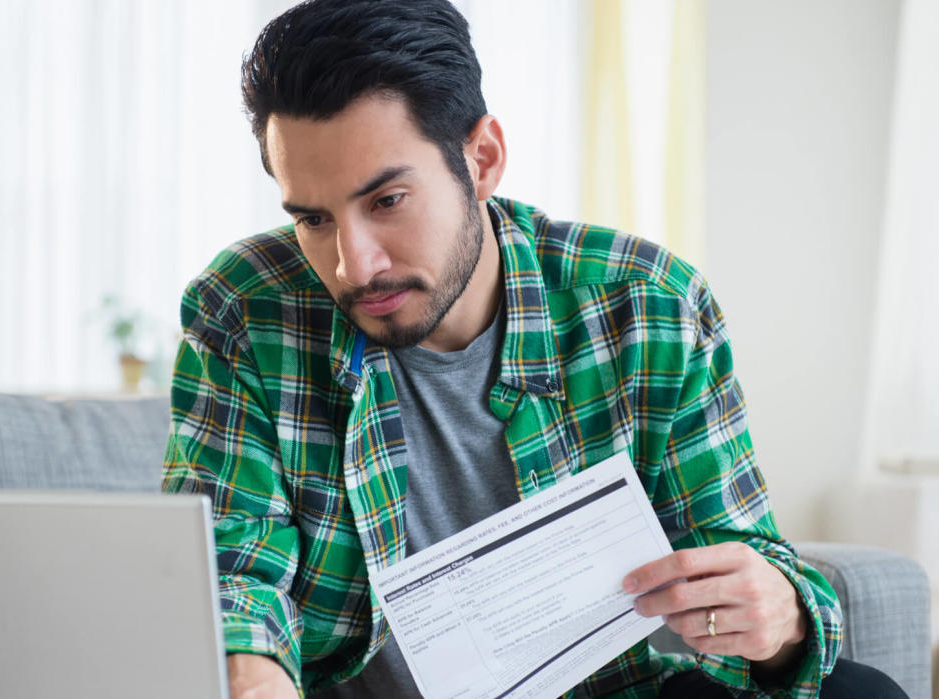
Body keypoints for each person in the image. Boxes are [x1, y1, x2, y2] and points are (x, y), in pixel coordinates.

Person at [162, 1, 905, 697]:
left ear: (482, 159)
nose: (354, 265)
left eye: (387, 201)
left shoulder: (647, 305)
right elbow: (232, 567)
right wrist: (249, 670)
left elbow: (748, 560)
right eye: (314, 218)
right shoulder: (244, 309)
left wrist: (775, 617)